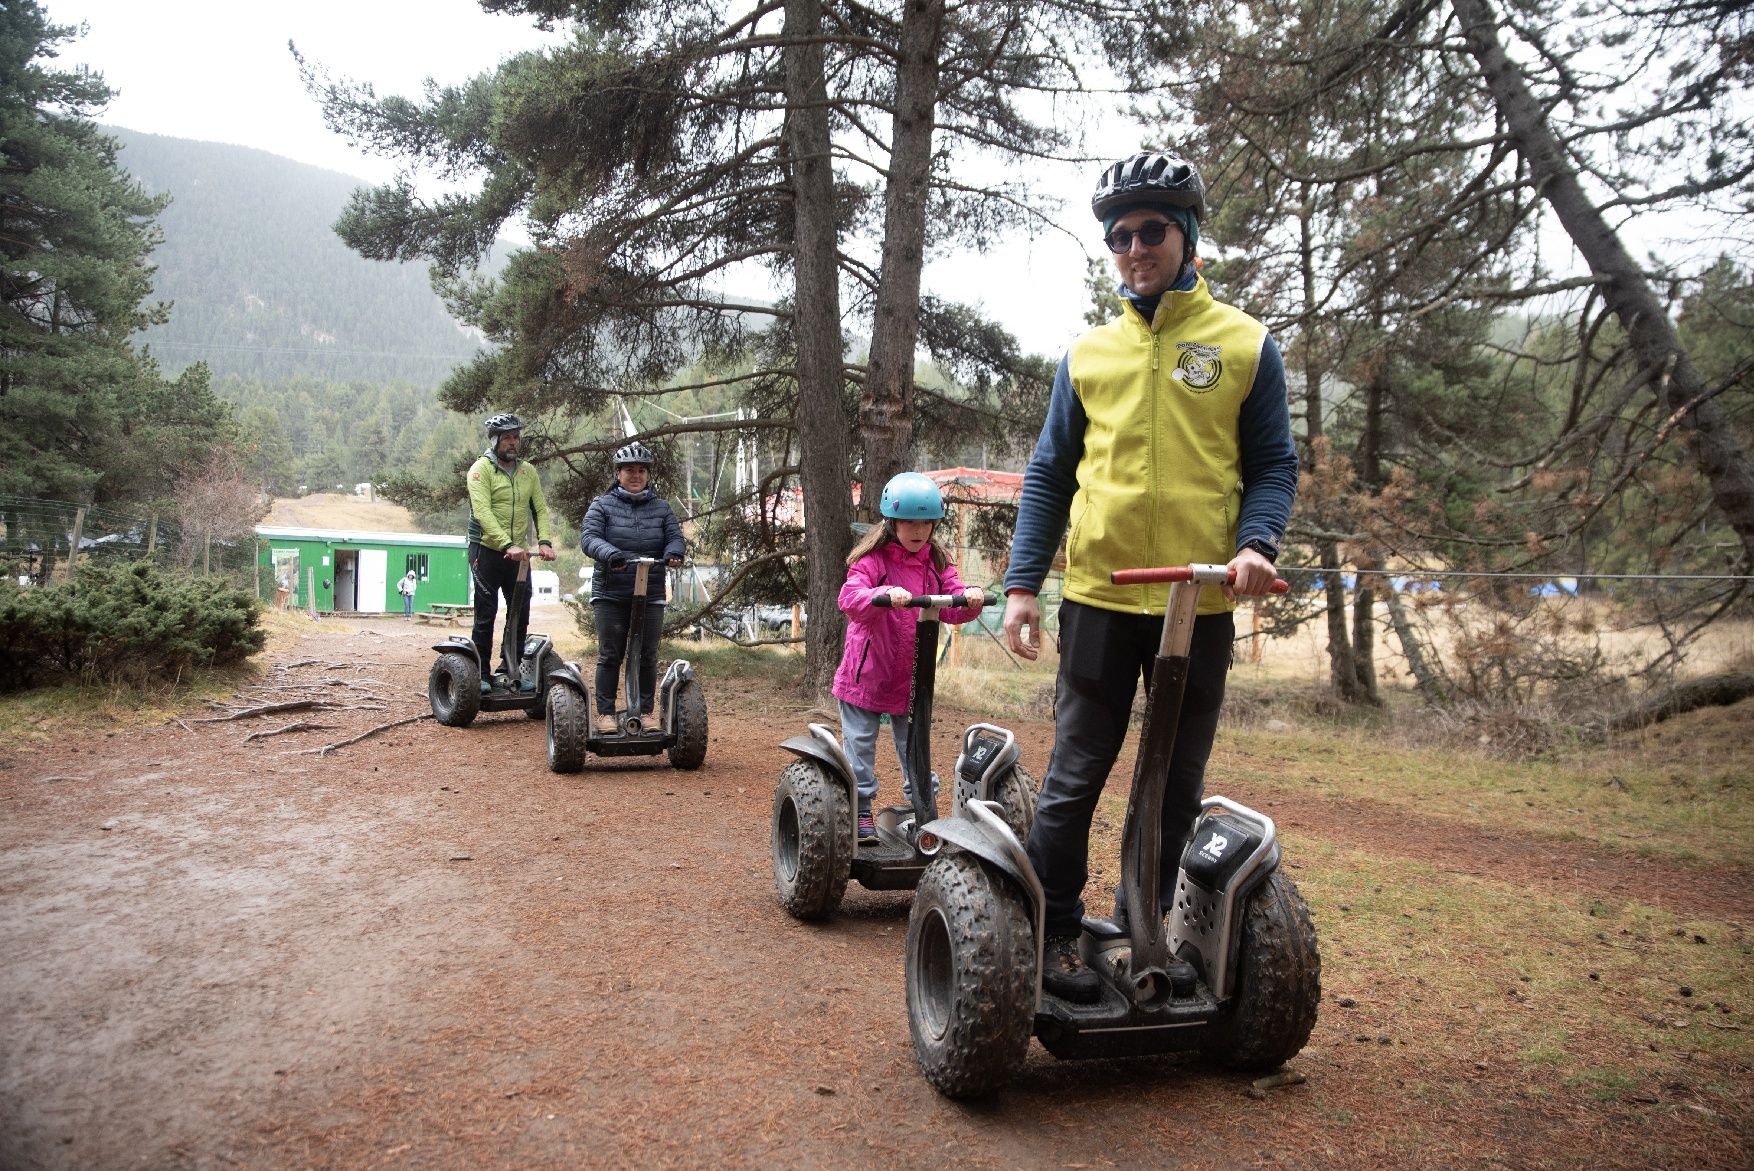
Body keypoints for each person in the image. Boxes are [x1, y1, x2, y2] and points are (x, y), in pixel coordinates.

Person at [1001, 150, 1298, 1003]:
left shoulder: (1243, 344)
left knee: (1175, 786)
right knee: (1073, 780)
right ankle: (1056, 931)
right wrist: (1024, 584)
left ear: (1188, 235)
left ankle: (1162, 938)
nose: (1136, 247)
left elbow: (1273, 463)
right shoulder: (1089, 354)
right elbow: (1051, 475)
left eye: (1152, 230)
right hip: (1098, 598)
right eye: (1120, 235)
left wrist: (1258, 545)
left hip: (1197, 601)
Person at [833, 472, 986, 843]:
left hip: (910, 679)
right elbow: (850, 598)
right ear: (892, 522)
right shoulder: (872, 560)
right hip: (866, 675)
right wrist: (883, 593)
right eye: (909, 522)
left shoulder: (935, 560)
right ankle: (861, 812)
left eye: (926, 522)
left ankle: (923, 808)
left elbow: (952, 600)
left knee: (915, 746)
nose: (918, 530)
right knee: (860, 747)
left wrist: (970, 598)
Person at [580, 442, 685, 733]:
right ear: (618, 473)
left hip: (650, 591)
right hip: (611, 592)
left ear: (648, 475)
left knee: (647, 653)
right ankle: (605, 714)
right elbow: (589, 537)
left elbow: (674, 538)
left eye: (641, 470)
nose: (636, 475)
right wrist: (610, 553)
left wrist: (674, 552)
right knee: (611, 653)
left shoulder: (662, 508)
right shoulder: (601, 505)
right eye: (629, 470)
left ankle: (646, 712)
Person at [466, 412, 557, 689]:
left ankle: (510, 669)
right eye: (507, 438)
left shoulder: (528, 471)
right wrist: (507, 544)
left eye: (516, 437)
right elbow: (482, 512)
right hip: (487, 550)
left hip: (518, 556)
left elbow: (539, 508)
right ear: (494, 440)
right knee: (486, 614)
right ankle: (480, 674)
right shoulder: (480, 471)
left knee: (520, 613)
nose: (513, 443)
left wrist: (544, 541)